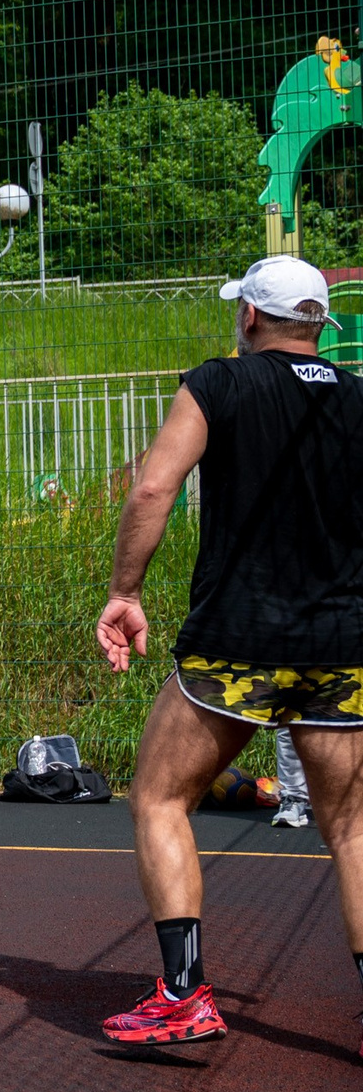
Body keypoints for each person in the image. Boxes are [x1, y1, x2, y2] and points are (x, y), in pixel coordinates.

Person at [95, 255, 363, 1050]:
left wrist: (126, 592)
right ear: (320, 323)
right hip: (342, 644)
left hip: (238, 640)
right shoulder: (356, 395)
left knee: (159, 798)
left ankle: (182, 994)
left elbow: (153, 488)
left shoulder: (220, 382)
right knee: (351, 827)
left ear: (249, 315)